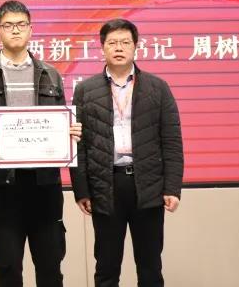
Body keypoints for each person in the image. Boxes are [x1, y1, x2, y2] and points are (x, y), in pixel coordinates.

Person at [0, 0, 82, 287]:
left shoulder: (50, 73)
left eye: (21, 24)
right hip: (3, 185)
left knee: (50, 265)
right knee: (8, 266)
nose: (15, 30)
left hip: (44, 184)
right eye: (8, 25)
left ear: (31, 30)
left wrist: (69, 132)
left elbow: (60, 121)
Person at [70, 18, 184, 287]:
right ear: (102, 48)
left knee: (150, 266)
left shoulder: (158, 88)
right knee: (106, 267)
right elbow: (78, 144)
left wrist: (172, 188)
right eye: (112, 43)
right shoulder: (85, 90)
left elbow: (171, 141)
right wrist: (81, 190)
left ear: (136, 46)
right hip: (105, 185)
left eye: (125, 42)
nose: (119, 48)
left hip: (148, 185)